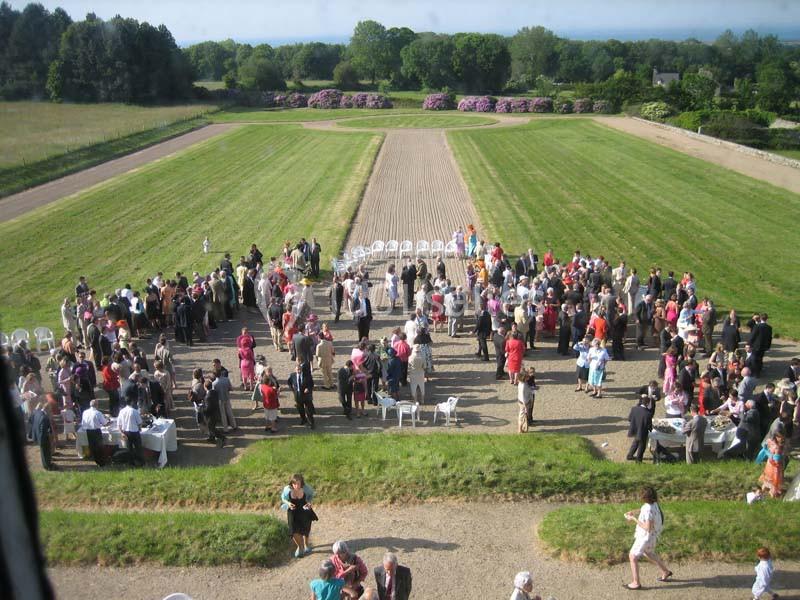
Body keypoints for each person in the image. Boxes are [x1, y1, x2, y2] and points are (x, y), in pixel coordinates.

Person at [625, 486, 672, 590]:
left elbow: (647, 527)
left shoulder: (648, 509)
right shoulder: (654, 504)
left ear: (645, 497)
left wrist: (633, 518)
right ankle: (666, 572)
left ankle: (636, 583)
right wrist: (634, 511)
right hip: (653, 536)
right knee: (648, 553)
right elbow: (645, 510)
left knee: (632, 556)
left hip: (645, 537)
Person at [282, 473, 316, 557]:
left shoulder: (307, 489)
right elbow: (283, 498)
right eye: (294, 484)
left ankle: (306, 544)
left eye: (298, 484)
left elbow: (311, 496)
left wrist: (309, 503)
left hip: (304, 510)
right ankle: (300, 547)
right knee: (292, 530)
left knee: (306, 527)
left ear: (302, 483)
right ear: (291, 483)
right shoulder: (287, 490)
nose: (296, 486)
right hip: (293, 512)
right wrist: (288, 503)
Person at [80, 398, 109, 466]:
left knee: (92, 446)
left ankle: (96, 460)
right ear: (96, 405)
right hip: (96, 431)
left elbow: (83, 423)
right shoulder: (98, 413)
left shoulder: (85, 412)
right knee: (99, 447)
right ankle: (101, 462)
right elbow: (104, 423)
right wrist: (109, 422)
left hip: (88, 431)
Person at [117, 399, 144, 466]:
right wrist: (140, 428)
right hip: (134, 432)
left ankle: (131, 463)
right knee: (138, 448)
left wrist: (121, 433)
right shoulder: (134, 411)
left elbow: (119, 424)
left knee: (129, 449)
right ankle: (140, 462)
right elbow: (140, 423)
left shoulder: (121, 411)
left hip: (126, 432)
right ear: (131, 403)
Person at [289, 363, 316, 428]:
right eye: (297, 370)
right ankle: (303, 419)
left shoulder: (307, 376)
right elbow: (289, 382)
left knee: (308, 410)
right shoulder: (293, 375)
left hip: (306, 395)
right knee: (300, 409)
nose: (299, 371)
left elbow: (311, 384)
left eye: (300, 369)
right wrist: (293, 389)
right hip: (298, 395)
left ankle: (311, 422)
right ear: (295, 370)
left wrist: (308, 388)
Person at [627, 396, 653, 462]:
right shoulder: (648, 414)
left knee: (635, 442)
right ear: (647, 404)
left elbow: (629, 419)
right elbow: (649, 426)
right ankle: (639, 460)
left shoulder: (634, 409)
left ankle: (630, 455)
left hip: (634, 429)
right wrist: (651, 430)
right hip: (642, 432)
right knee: (642, 446)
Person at [759, 433, 785, 498]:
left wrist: (768, 453)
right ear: (776, 437)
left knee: (767, 479)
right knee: (774, 482)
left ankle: (761, 492)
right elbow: (777, 460)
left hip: (769, 464)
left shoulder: (769, 441)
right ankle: (773, 495)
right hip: (775, 467)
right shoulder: (777, 448)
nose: (782, 439)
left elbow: (765, 446)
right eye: (780, 437)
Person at [30, 401, 55, 471]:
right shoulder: (44, 417)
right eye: (50, 410)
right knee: (45, 451)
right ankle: (47, 466)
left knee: (43, 452)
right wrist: (42, 440)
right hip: (43, 437)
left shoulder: (37, 413)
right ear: (47, 409)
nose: (50, 412)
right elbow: (43, 430)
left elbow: (31, 419)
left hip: (37, 435)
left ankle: (47, 464)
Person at [518, 367, 536, 432]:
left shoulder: (523, 383)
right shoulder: (523, 386)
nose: (528, 377)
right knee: (522, 416)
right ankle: (520, 429)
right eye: (527, 377)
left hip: (526, 401)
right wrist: (525, 405)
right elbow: (523, 396)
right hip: (524, 403)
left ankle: (522, 427)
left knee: (524, 415)